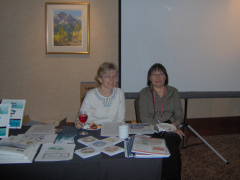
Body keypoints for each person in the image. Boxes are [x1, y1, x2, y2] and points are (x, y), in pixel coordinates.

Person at [139, 63, 184, 180]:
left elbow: (179, 114)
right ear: (149, 78)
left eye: (161, 74)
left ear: (165, 77)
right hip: (152, 125)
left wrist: (175, 125)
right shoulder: (144, 93)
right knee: (155, 140)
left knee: (170, 140)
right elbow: (143, 117)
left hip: (170, 126)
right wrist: (161, 128)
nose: (157, 77)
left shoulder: (173, 91)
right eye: (154, 74)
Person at [75, 62, 125, 129]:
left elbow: (120, 119)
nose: (112, 80)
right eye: (107, 76)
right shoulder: (90, 95)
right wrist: (78, 124)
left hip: (112, 131)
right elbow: (80, 118)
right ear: (100, 79)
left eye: (114, 76)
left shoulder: (120, 93)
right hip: (92, 130)